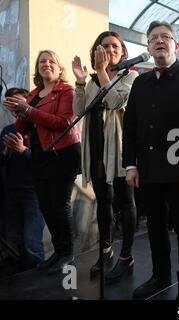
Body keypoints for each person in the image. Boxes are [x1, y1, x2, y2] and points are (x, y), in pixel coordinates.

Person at [123, 21, 179, 300]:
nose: (159, 41)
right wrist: (130, 164)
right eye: (153, 38)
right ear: (148, 48)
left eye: (165, 37)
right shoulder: (140, 82)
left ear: (176, 45)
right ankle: (159, 276)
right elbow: (131, 126)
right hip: (148, 168)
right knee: (154, 226)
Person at [3, 50, 81, 275]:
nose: (46, 64)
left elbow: (64, 122)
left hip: (62, 154)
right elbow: (23, 128)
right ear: (38, 68)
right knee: (46, 207)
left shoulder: (65, 90)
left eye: (51, 61)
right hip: (40, 155)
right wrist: (18, 113)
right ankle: (58, 253)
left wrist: (29, 110)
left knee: (59, 206)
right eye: (42, 62)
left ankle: (68, 255)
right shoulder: (34, 93)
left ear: (59, 68)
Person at [72, 31, 138, 282]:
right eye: (104, 46)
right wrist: (80, 81)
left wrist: (101, 72)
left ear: (122, 51)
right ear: (96, 50)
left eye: (114, 46)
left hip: (120, 150)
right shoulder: (91, 81)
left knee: (125, 202)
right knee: (104, 201)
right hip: (96, 149)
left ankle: (126, 255)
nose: (109, 50)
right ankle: (106, 250)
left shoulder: (131, 76)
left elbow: (115, 102)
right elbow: (78, 111)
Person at [0, 88, 45, 271]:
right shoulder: (7, 130)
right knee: (16, 239)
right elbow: (1, 160)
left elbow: (47, 159)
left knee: (32, 242)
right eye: (11, 103)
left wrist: (23, 150)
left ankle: (37, 285)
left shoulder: (39, 127)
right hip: (12, 192)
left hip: (34, 192)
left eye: (18, 102)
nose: (15, 106)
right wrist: (7, 152)